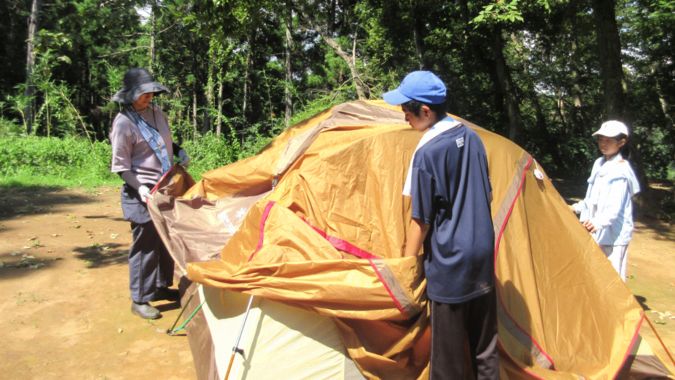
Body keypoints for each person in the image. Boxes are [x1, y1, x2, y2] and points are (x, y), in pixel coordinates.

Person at [383, 71, 499, 379]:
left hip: (452, 262)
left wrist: (408, 265)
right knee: (485, 348)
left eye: (406, 109)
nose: (403, 116)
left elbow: (421, 219)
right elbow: (486, 194)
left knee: (447, 359)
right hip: (484, 253)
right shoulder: (472, 138)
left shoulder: (428, 151)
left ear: (425, 111)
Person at [110, 68, 190, 319]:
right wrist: (140, 187)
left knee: (164, 241)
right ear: (130, 95)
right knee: (145, 246)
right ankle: (139, 299)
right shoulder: (123, 123)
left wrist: (179, 151)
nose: (149, 97)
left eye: (151, 93)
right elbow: (121, 166)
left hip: (165, 188)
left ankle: (159, 286)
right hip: (141, 193)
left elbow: (163, 139)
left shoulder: (157, 112)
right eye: (144, 94)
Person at [571, 120, 640, 282]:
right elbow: (592, 197)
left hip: (613, 234)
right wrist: (576, 208)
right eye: (601, 139)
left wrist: (597, 222)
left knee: (612, 278)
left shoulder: (621, 170)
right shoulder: (599, 163)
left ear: (621, 142)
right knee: (595, 275)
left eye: (609, 140)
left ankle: (619, 308)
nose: (604, 143)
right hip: (596, 229)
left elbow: (614, 208)